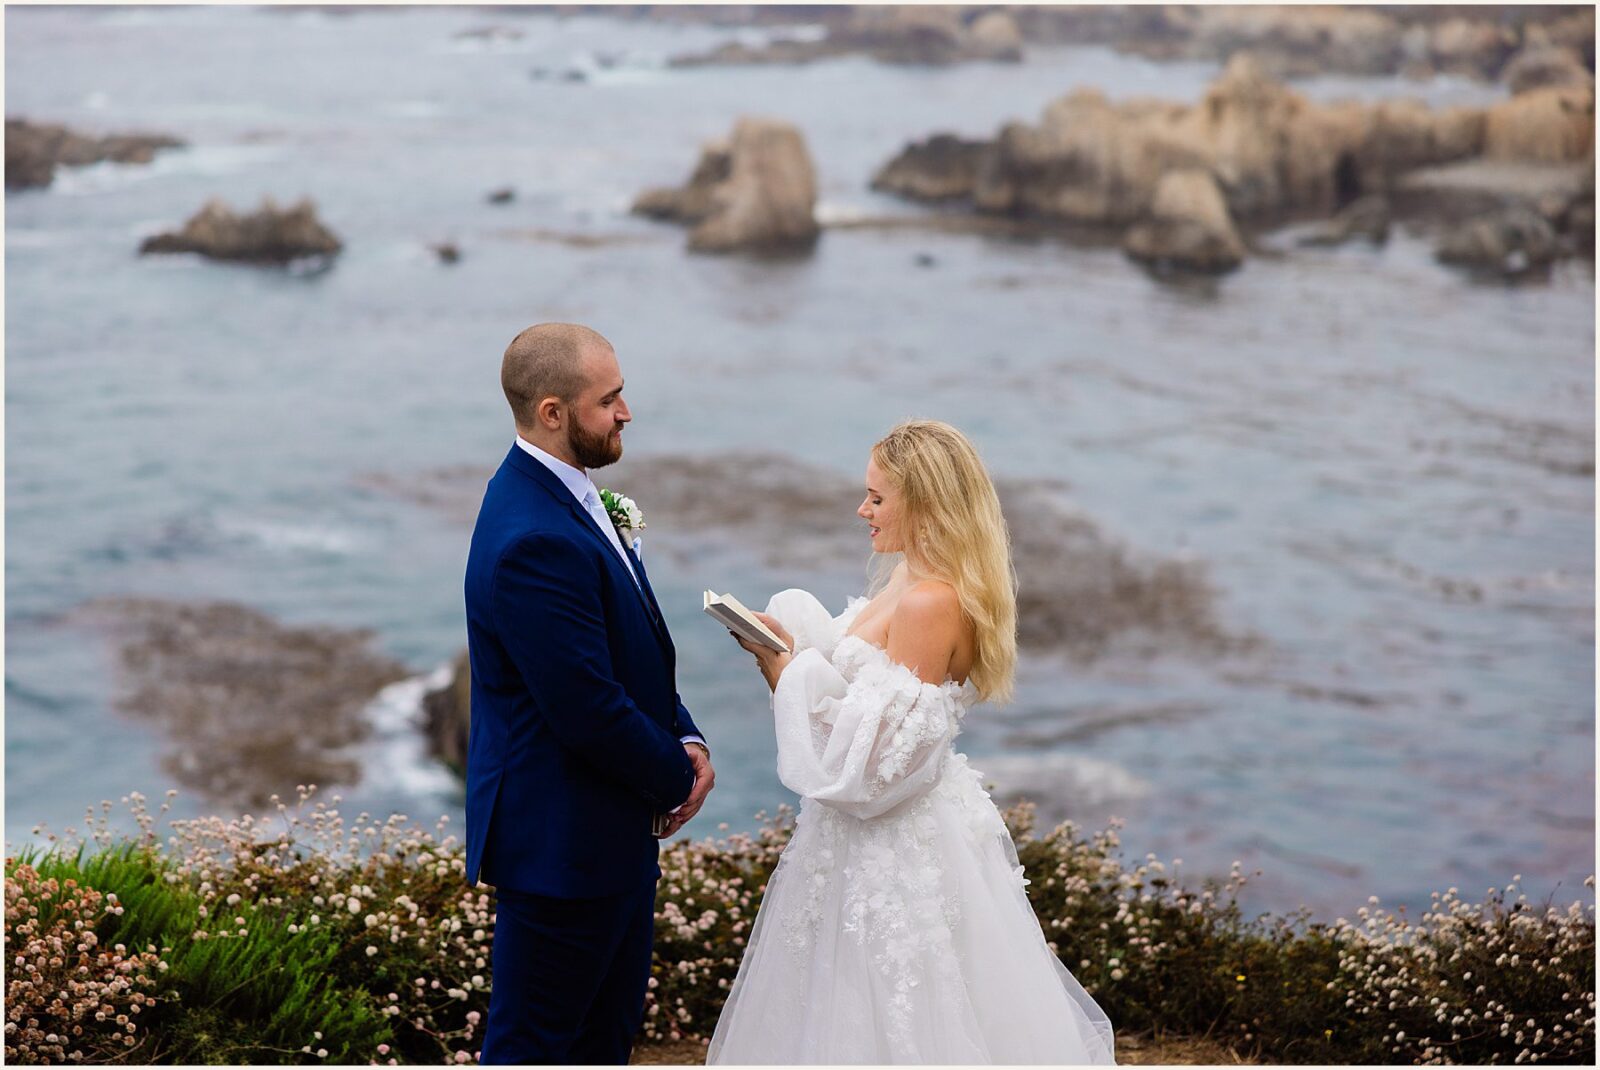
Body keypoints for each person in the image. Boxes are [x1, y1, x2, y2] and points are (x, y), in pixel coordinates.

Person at [708, 419, 1115, 1064]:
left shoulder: (929, 603)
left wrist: (782, 671)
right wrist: (792, 649)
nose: (861, 509)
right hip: (857, 842)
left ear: (923, 506)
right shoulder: (906, 581)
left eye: (877, 498)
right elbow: (865, 702)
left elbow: (876, 771)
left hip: (891, 851)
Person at [463, 322, 715, 1064]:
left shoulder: (569, 497)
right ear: (552, 412)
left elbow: (627, 652)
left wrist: (685, 733)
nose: (625, 413)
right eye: (608, 401)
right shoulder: (532, 538)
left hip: (605, 840)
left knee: (602, 1043)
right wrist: (677, 779)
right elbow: (587, 708)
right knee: (535, 1050)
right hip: (562, 852)